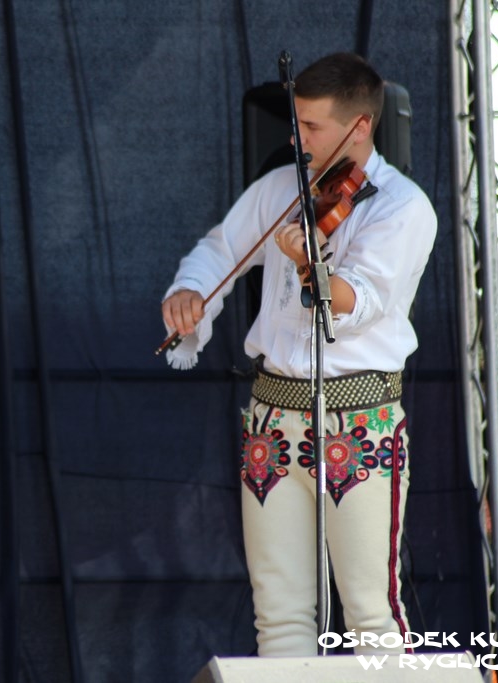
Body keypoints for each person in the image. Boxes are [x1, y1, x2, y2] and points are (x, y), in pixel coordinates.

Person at [161, 53, 437, 657]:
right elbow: (221, 248)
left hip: (358, 419)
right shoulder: (282, 187)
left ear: (360, 126)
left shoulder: (403, 206)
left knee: (370, 612)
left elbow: (359, 302)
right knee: (279, 615)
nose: (296, 139)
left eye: (311, 127)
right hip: (270, 417)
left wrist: (311, 261)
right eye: (297, 124)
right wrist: (191, 291)